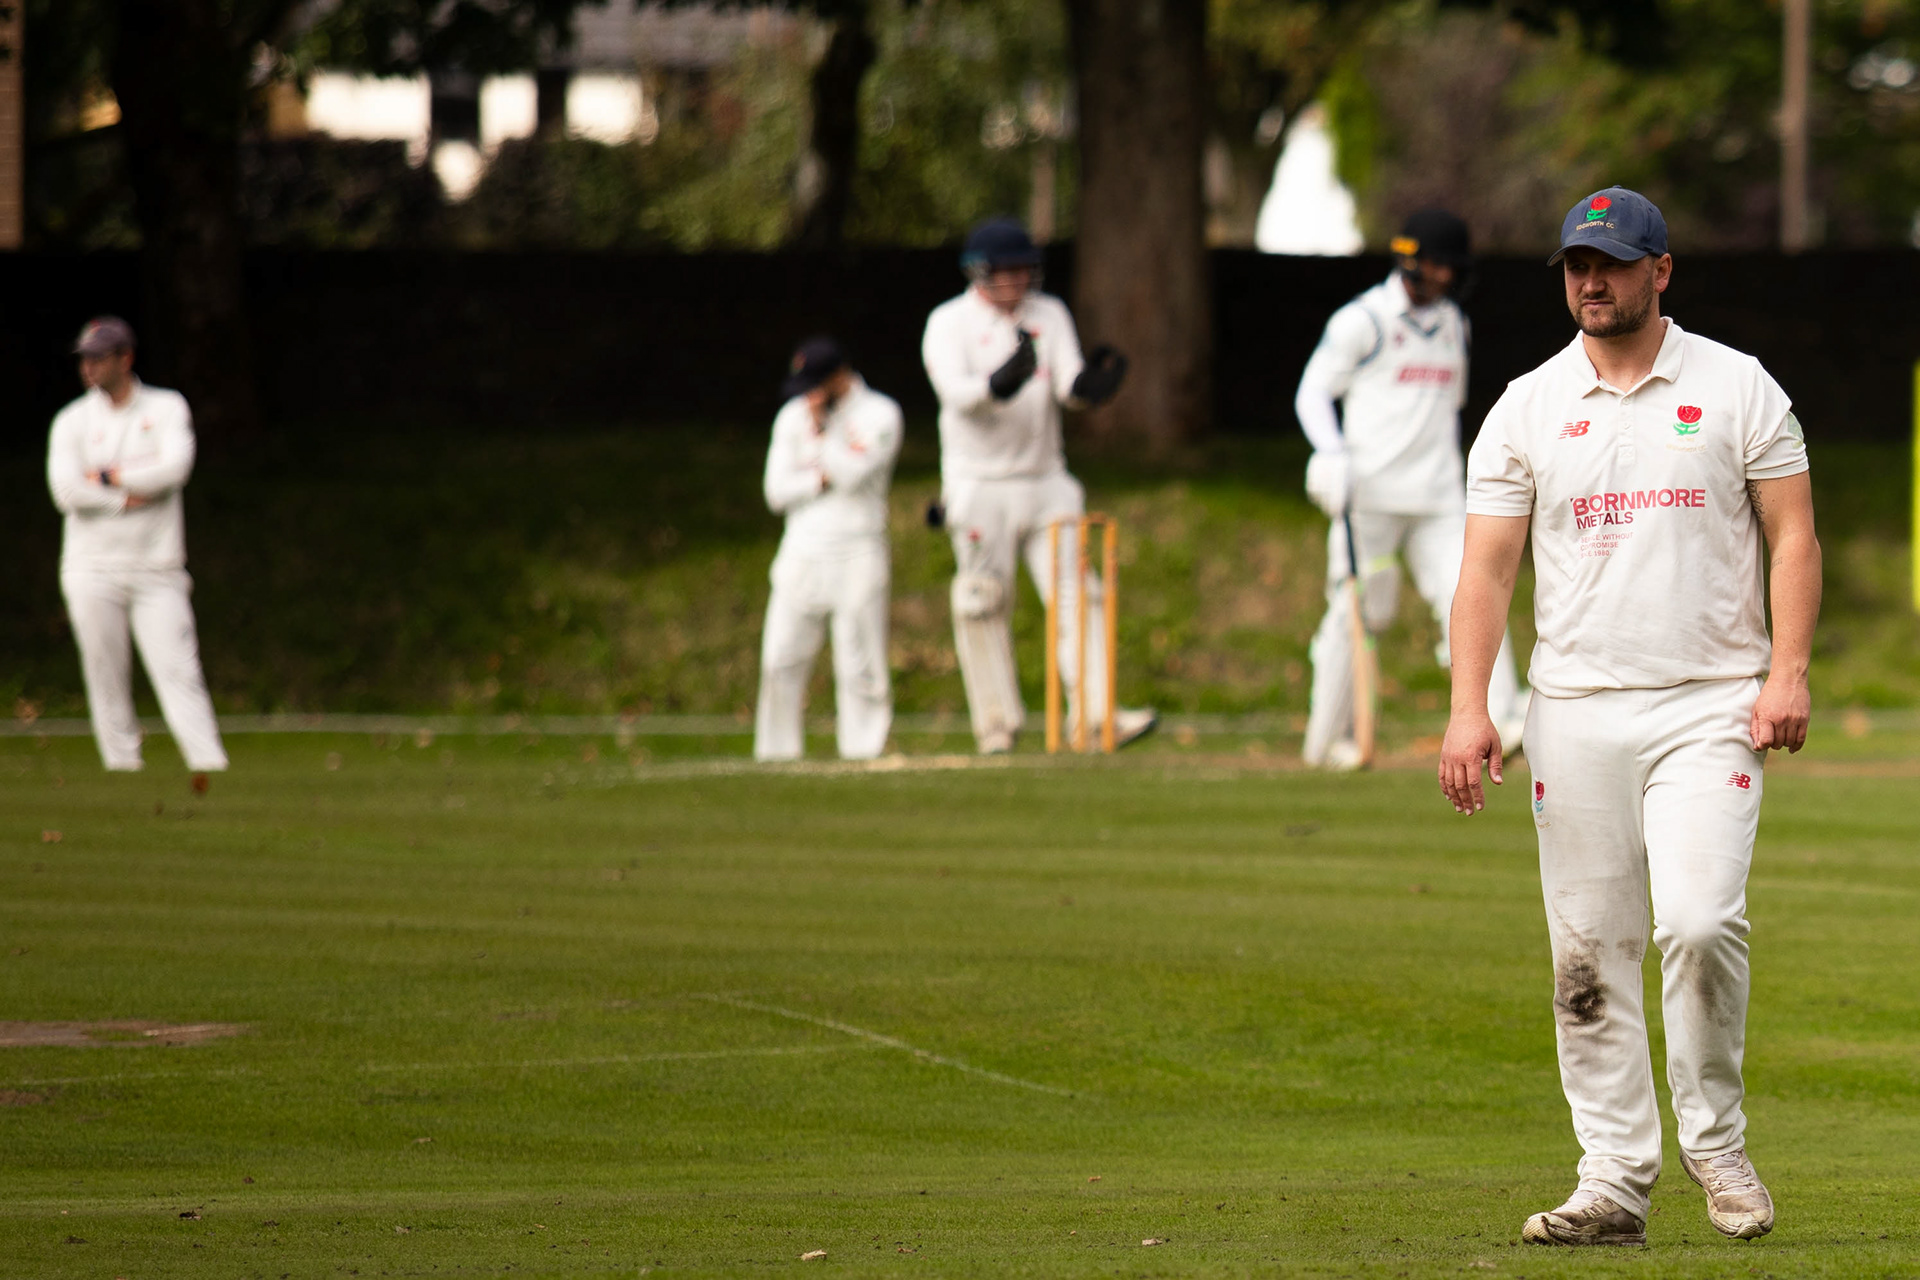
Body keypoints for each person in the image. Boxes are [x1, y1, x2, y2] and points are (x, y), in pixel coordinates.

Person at [1439, 188, 1820, 1247]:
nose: (1591, 283)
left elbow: (1793, 536)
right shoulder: (1526, 405)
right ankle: (1611, 1180)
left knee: (1698, 921)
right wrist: (1471, 707)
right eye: (1577, 266)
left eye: (1610, 264)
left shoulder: (1737, 385)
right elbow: (1485, 570)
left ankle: (1717, 1142)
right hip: (1573, 713)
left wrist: (1787, 673)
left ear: (1662, 270)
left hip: (1710, 704)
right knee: (1588, 955)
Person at [1295, 208, 1528, 769]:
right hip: (1369, 499)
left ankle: (1502, 720)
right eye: (1438, 265)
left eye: (1453, 268)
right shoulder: (1364, 321)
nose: (1446, 277)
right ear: (1411, 261)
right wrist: (1331, 452)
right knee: (1356, 611)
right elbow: (1312, 392)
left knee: (1471, 597)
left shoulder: (1454, 324)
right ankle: (1328, 741)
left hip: (1438, 499)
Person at [920, 216, 1154, 754]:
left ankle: (1095, 716)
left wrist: (1091, 386)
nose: (1017, 280)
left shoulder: (1049, 313)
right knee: (982, 601)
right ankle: (996, 723)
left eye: (1024, 269)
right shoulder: (948, 323)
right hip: (979, 484)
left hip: (1047, 479)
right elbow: (956, 395)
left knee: (1081, 594)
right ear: (979, 272)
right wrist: (998, 383)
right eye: (1005, 271)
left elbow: (1067, 381)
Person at [46, 316, 229, 781]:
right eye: (84, 359)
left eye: (98, 358)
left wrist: (107, 477)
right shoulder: (72, 421)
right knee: (104, 672)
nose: (88, 367)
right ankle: (122, 767)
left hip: (157, 567)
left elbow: (174, 470)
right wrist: (124, 499)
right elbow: (66, 492)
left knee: (179, 670)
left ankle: (209, 763)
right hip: (90, 568)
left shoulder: (166, 408)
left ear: (125, 358)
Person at [753, 336, 903, 762]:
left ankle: (863, 751)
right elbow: (776, 492)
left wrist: (821, 434)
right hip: (801, 551)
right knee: (780, 658)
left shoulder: (880, 413)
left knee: (861, 664)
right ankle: (776, 755)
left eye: (816, 385)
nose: (809, 397)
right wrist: (818, 480)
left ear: (839, 376)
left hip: (859, 548)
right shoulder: (791, 416)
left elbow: (853, 476)